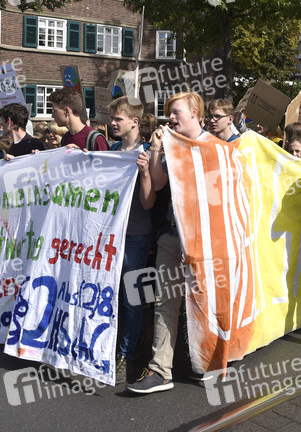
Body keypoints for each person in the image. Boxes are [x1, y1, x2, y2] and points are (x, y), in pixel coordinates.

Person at [128, 91, 210, 394]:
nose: (171, 118)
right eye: (169, 113)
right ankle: (161, 370)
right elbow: (159, 182)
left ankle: (208, 361)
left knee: (203, 300)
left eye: (176, 112)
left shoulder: (214, 147)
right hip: (171, 235)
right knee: (165, 302)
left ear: (195, 113)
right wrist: (157, 149)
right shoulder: (170, 146)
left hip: (202, 239)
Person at [107, 97, 156, 384]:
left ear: (134, 122)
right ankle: (115, 345)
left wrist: (145, 172)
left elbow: (148, 203)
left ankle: (127, 353)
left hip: (136, 234)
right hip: (112, 233)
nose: (113, 123)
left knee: (132, 298)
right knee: (113, 294)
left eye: (118, 119)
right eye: (112, 118)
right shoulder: (113, 150)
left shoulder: (147, 153)